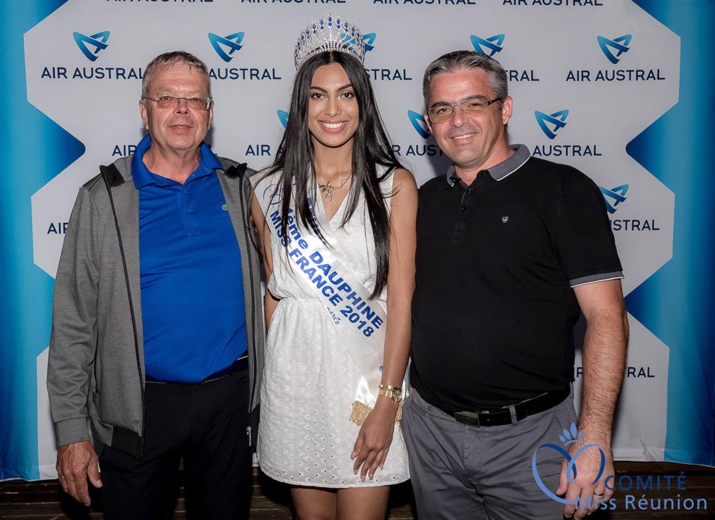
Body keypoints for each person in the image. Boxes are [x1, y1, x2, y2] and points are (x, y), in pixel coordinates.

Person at [403, 50, 629, 520]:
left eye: (474, 104)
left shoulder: (564, 191)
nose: (458, 120)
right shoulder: (420, 201)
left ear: (504, 109)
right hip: (432, 436)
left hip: (533, 440)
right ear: (428, 122)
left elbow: (606, 317)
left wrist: (594, 439)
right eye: (443, 109)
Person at [47, 51, 264, 520]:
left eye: (194, 99)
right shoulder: (103, 198)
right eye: (167, 97)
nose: (182, 110)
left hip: (228, 404)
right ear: (144, 112)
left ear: (210, 112)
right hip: (138, 410)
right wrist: (70, 431)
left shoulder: (244, 188)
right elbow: (73, 323)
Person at [250, 15, 417, 520]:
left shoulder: (395, 186)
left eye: (346, 94)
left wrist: (387, 401)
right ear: (301, 106)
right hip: (295, 387)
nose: (332, 109)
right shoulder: (265, 188)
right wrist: (287, 367)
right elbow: (273, 293)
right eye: (318, 95)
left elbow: (402, 301)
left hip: (364, 385)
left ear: (363, 104)